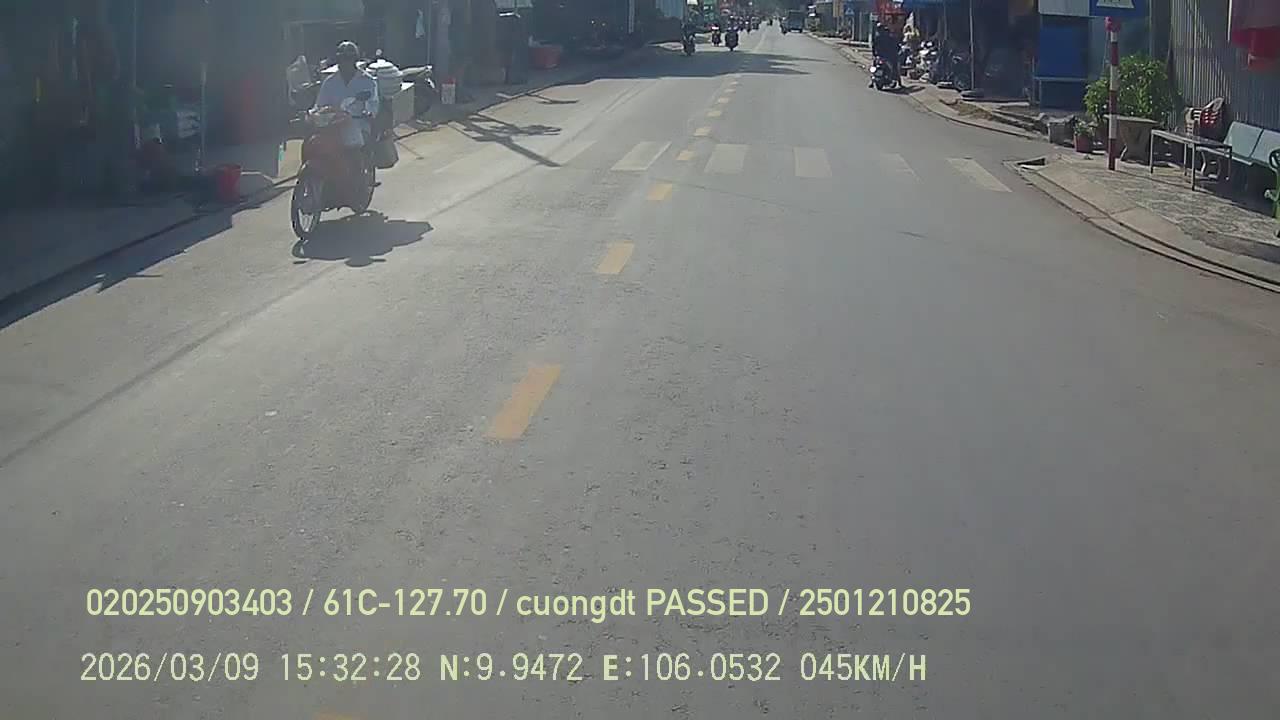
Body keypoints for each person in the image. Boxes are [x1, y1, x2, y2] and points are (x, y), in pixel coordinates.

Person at [314, 41, 380, 193]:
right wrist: (313, 113)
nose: (344, 63)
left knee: (352, 149)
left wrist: (368, 112)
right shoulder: (329, 82)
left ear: (354, 60)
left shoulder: (368, 81)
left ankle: (359, 183)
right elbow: (319, 104)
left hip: (358, 124)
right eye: (341, 59)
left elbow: (373, 104)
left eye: (348, 59)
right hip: (332, 125)